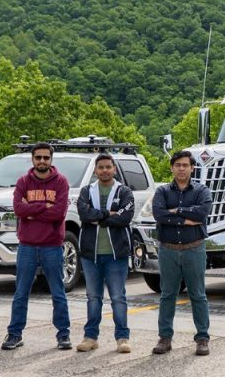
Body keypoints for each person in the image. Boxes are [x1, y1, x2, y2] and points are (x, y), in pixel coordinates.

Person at [2, 142, 71, 351]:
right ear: (32, 159)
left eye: (46, 158)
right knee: (21, 292)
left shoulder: (61, 182)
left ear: (51, 159)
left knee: (58, 292)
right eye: (38, 157)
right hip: (27, 246)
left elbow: (59, 213)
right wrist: (42, 207)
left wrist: (32, 211)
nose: (42, 161)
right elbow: (18, 209)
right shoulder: (23, 182)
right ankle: (14, 334)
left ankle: (63, 335)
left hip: (52, 245)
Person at [151, 150, 213, 356]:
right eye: (177, 165)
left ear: (192, 168)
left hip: (194, 248)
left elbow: (202, 212)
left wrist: (175, 211)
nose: (181, 168)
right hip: (168, 250)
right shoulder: (162, 191)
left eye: (185, 165)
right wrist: (186, 219)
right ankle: (165, 338)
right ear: (171, 168)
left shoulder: (202, 190)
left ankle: (202, 338)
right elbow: (158, 214)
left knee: (198, 295)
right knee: (167, 295)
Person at [75, 154, 136, 353]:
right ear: (95, 170)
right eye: (100, 167)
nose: (105, 170)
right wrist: (108, 214)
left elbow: (124, 217)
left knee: (118, 297)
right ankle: (90, 337)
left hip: (115, 254)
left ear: (114, 169)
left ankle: (122, 338)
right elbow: (84, 214)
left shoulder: (124, 191)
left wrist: (98, 217)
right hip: (90, 254)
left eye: (108, 167)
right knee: (93, 297)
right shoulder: (86, 191)